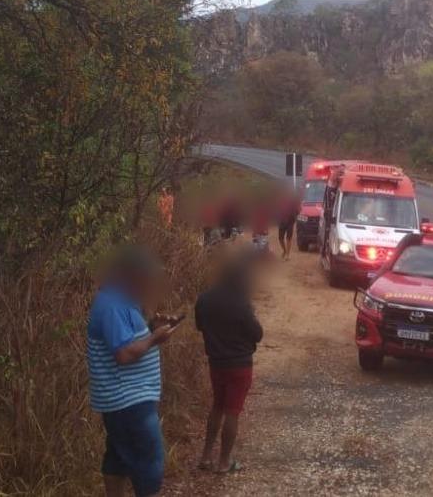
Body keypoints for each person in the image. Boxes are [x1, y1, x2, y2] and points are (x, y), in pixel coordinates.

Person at [87, 245, 178, 497]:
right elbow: (124, 354)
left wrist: (152, 328)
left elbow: (127, 340)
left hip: (128, 397)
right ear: (130, 274)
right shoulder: (111, 305)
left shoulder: (122, 300)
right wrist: (154, 339)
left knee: (118, 457)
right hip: (127, 399)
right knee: (149, 462)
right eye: (145, 276)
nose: (149, 281)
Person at [194, 254, 264, 474]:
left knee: (217, 406)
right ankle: (224, 462)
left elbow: (199, 325)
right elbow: (257, 334)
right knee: (232, 412)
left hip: (216, 362)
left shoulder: (204, 299)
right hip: (240, 364)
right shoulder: (241, 303)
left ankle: (206, 456)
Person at [276, 190, 299, 260]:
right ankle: (284, 250)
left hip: (290, 221)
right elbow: (277, 210)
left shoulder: (293, 200)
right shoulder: (280, 200)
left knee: (288, 238)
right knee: (280, 238)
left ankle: (287, 255)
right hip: (282, 221)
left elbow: (297, 210)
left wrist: (294, 217)